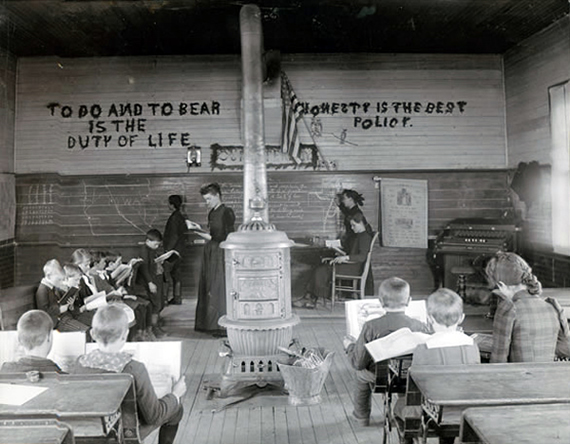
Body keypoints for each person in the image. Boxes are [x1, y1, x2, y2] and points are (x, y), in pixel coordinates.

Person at [73, 305, 186, 444]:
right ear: (125, 334)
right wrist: (175, 394)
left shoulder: (78, 364)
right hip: (123, 437)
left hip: (88, 434)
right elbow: (154, 416)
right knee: (176, 408)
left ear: (92, 334)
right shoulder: (134, 369)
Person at [344, 277, 429, 426]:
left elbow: (358, 363)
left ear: (380, 301)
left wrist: (349, 346)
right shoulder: (419, 325)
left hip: (378, 377)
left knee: (360, 375)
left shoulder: (370, 326)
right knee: (405, 372)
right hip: (409, 377)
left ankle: (361, 416)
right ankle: (405, 409)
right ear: (408, 301)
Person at [485, 252, 570, 363]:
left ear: (501, 285)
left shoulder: (509, 308)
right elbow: (565, 349)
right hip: (549, 378)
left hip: (520, 378)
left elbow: (498, 359)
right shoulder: (553, 306)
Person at [296, 212, 374, 309]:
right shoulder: (358, 236)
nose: (352, 228)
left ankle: (313, 298)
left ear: (361, 223)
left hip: (354, 268)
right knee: (320, 268)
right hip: (350, 265)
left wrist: (345, 258)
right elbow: (352, 252)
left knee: (321, 271)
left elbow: (362, 257)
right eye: (351, 225)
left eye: (354, 225)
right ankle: (312, 297)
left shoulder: (365, 237)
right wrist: (339, 255)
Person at [192, 182, 235, 335]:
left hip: (221, 252)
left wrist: (199, 232)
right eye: (205, 200)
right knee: (208, 285)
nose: (207, 203)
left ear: (217, 196)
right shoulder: (211, 213)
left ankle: (221, 326)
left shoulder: (227, 212)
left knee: (218, 287)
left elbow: (227, 237)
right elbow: (211, 235)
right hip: (210, 251)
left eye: (209, 199)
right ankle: (208, 324)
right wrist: (199, 230)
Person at [412, 288, 480, 365]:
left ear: (430, 318)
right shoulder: (472, 345)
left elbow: (415, 375)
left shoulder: (423, 348)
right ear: (461, 318)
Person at [35, 259, 91, 333]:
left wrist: (69, 304)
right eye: (59, 280)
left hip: (64, 318)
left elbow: (57, 303)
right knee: (86, 332)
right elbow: (44, 311)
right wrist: (60, 309)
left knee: (88, 328)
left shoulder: (52, 287)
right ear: (49, 276)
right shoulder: (43, 289)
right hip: (57, 322)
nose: (61, 282)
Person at [135, 228, 167, 338]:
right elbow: (144, 268)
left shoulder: (150, 249)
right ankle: (153, 328)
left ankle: (155, 326)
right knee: (155, 304)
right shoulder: (144, 250)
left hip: (155, 279)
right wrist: (150, 282)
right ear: (148, 241)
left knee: (158, 302)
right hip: (148, 281)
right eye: (156, 244)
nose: (157, 247)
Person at [163, 195, 187, 305]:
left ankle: (164, 299)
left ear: (172, 205)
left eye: (169, 203)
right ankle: (177, 298)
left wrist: (168, 251)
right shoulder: (180, 217)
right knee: (177, 276)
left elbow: (174, 236)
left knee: (166, 275)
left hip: (173, 252)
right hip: (180, 251)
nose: (167, 205)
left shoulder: (174, 218)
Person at [336, 189, 370, 253]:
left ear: (351, 199)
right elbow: (346, 212)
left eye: (344, 198)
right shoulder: (352, 211)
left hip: (354, 246)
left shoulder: (356, 214)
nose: (342, 201)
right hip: (352, 243)